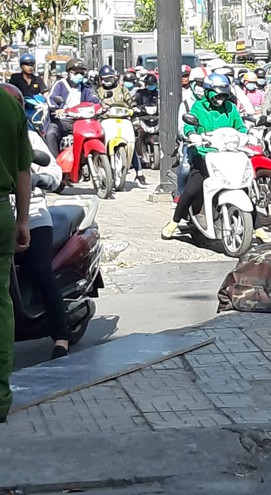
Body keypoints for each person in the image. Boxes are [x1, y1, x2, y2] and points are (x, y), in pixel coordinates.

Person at [2, 84, 70, 360]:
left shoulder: (30, 137)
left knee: (41, 269)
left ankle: (61, 335)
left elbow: (53, 172)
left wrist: (39, 180)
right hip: (6, 215)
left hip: (34, 215)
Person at [161, 74, 269, 242]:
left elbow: (239, 125)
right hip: (205, 155)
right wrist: (192, 135)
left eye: (223, 95)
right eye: (217, 95)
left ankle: (258, 227)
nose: (220, 99)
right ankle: (174, 222)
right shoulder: (198, 107)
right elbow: (189, 125)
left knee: (242, 187)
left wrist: (245, 135)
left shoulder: (231, 108)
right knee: (191, 190)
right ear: (208, 92)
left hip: (229, 155)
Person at [0, 83, 33, 423]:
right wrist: (22, 219)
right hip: (2, 213)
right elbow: (24, 170)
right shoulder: (10, 106)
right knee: (1, 306)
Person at [45, 58, 100, 158]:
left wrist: (101, 107)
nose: (79, 76)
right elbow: (51, 98)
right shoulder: (60, 84)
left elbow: (94, 100)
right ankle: (54, 164)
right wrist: (57, 109)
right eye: (76, 73)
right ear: (69, 73)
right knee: (51, 133)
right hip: (61, 121)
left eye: (81, 73)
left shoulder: (86, 87)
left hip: (81, 122)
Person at [176, 66, 208, 202]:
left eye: (204, 84)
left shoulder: (212, 103)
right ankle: (180, 194)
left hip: (213, 145)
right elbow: (182, 127)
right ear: (193, 83)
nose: (202, 88)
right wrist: (190, 135)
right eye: (199, 84)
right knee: (185, 166)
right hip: (192, 144)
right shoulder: (186, 103)